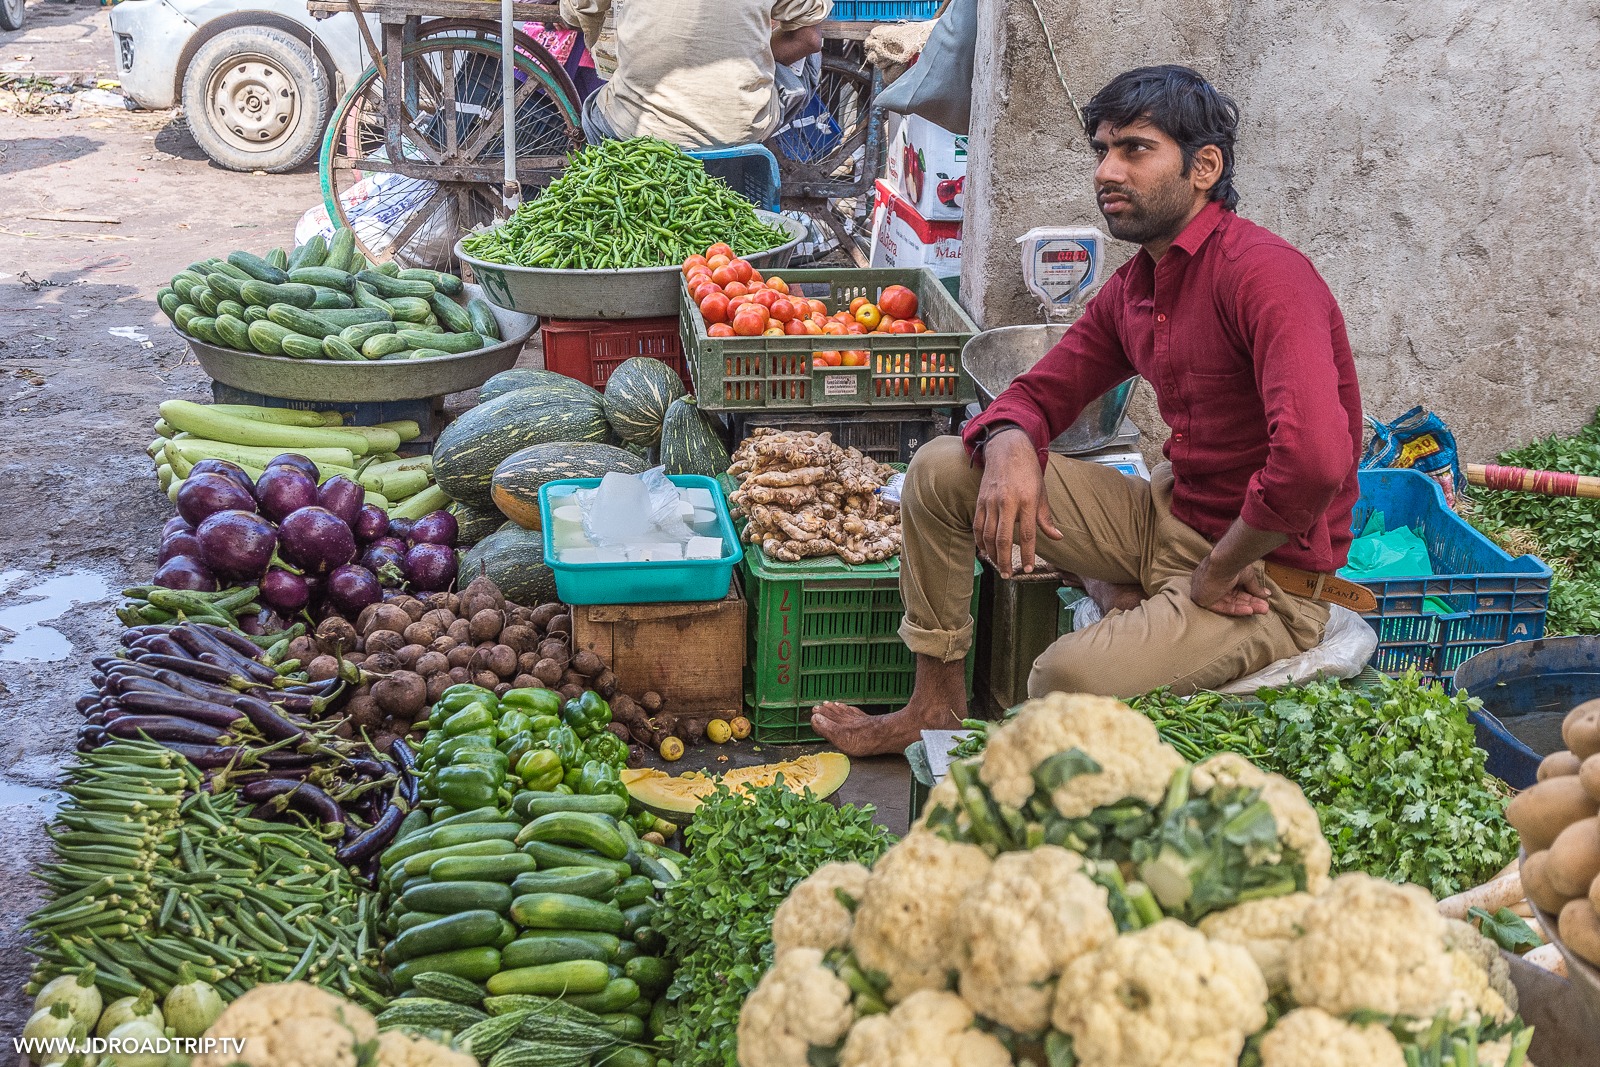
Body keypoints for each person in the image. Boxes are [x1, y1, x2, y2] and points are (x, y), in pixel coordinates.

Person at [812, 65, 1366, 757]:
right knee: (941, 468)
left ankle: (1123, 597)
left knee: (1062, 676)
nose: (1107, 170)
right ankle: (936, 706)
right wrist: (1012, 437)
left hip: (1263, 580)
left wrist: (1220, 567)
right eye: (1101, 150)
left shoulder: (1265, 275)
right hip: (1165, 519)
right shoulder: (1140, 284)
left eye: (1134, 149)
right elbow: (1040, 390)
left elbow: (1316, 459)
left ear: (1205, 167)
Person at [559, 0, 830, 149]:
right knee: (809, 51)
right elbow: (809, 40)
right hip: (739, 130)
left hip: (637, 127)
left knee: (596, 110)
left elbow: (577, 12)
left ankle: (608, 196)